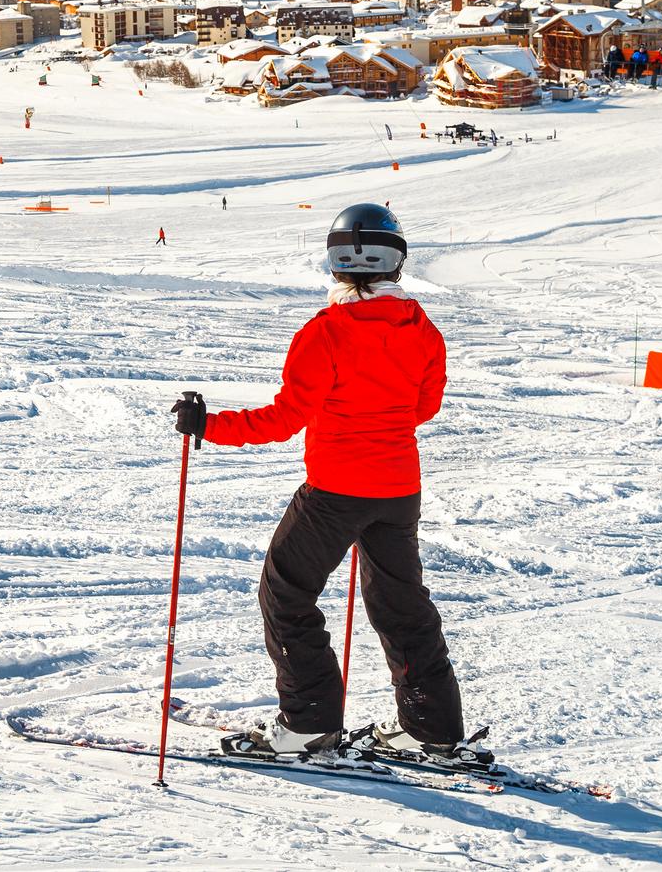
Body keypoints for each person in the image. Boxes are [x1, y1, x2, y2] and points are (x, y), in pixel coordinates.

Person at [170, 204, 472, 763]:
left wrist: (210, 425)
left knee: (285, 594)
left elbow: (284, 419)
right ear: (397, 263)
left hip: (335, 491)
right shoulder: (422, 328)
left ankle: (309, 724)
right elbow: (422, 407)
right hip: (399, 490)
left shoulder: (324, 332)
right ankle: (432, 727)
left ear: (336, 266)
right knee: (401, 606)